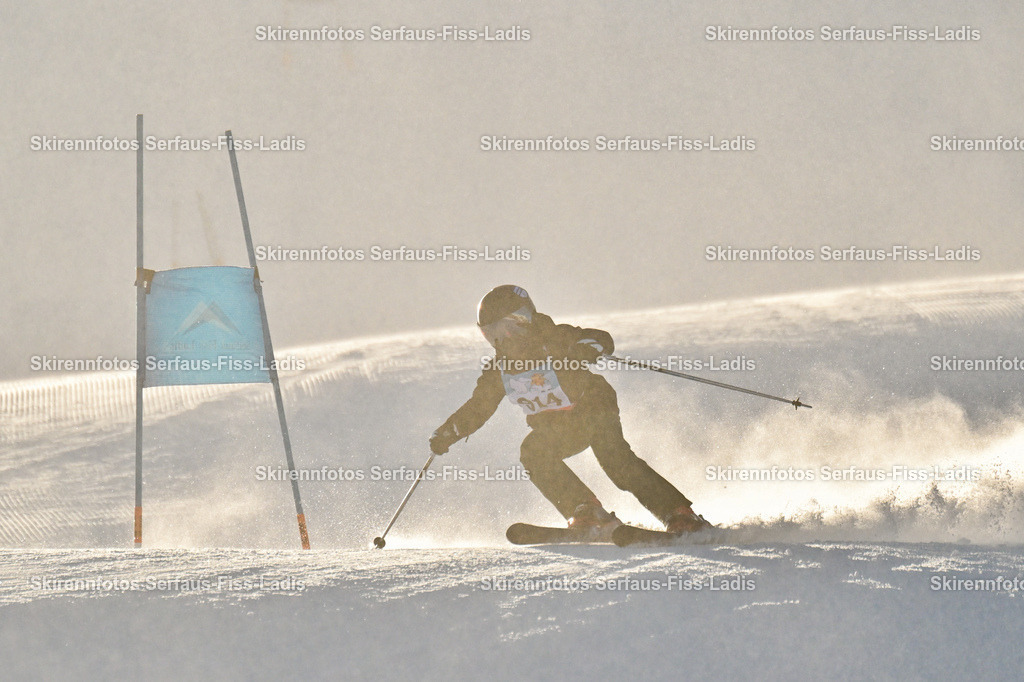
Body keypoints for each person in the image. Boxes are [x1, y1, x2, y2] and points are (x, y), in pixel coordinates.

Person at [429, 284, 711, 541]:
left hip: (593, 407)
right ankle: (585, 510)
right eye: (492, 334)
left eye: (508, 328)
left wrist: (583, 349)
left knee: (615, 461)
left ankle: (680, 514)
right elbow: (479, 407)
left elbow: (601, 339)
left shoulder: (554, 338)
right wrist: (449, 433)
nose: (503, 340)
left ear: (524, 320)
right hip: (558, 426)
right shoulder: (499, 370)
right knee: (534, 451)